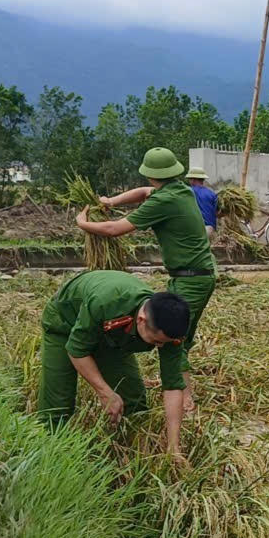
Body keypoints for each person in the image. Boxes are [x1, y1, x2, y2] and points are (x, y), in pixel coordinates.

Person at [78, 147, 216, 414]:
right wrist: (111, 202)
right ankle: (184, 394)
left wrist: (84, 224)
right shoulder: (178, 190)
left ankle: (184, 398)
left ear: (151, 174)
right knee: (179, 336)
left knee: (175, 337)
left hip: (192, 278)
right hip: (197, 274)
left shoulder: (164, 201)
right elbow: (142, 192)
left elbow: (114, 229)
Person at [38, 270, 190, 454]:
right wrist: (105, 393)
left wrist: (173, 448)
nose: (160, 347)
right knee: (58, 404)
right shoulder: (107, 302)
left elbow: (173, 385)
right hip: (64, 324)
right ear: (141, 320)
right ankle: (52, 453)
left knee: (134, 401)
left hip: (112, 338)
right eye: (156, 341)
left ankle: (129, 449)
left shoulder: (171, 329)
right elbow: (77, 350)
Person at [185, 167, 218, 238]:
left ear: (192, 179)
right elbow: (217, 212)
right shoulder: (212, 193)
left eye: (189, 179)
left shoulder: (188, 192)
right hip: (211, 229)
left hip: (197, 230)